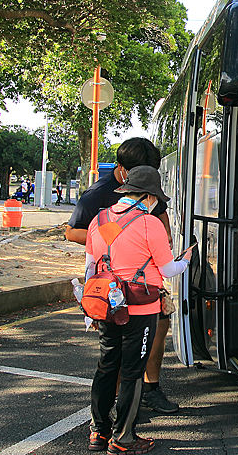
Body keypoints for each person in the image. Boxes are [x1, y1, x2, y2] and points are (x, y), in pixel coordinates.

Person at [66, 137, 176, 413]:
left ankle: (151, 388)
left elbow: (160, 220)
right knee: (117, 355)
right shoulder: (97, 194)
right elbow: (73, 232)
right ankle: (120, 411)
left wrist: (160, 237)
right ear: (122, 170)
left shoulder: (149, 194)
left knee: (157, 331)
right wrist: (122, 234)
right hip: (112, 284)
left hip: (147, 283)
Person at [86, 165, 189, 454]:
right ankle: (123, 438)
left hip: (106, 303)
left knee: (107, 365)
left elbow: (91, 266)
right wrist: (186, 261)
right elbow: (168, 269)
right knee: (132, 371)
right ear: (148, 196)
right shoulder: (149, 224)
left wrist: (88, 313)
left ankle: (99, 431)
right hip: (139, 308)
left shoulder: (100, 219)